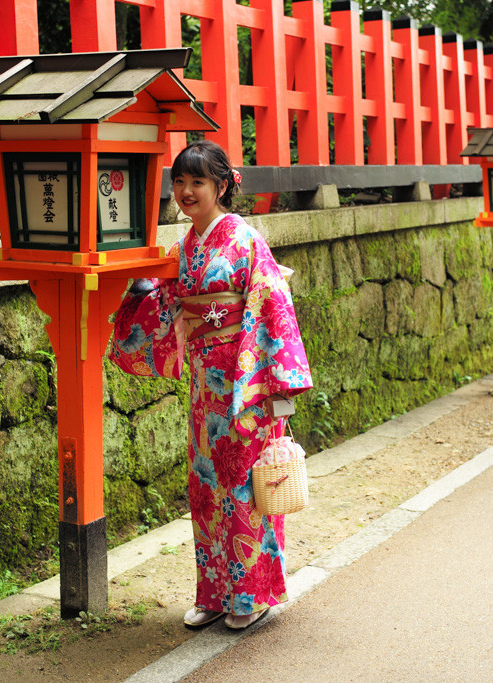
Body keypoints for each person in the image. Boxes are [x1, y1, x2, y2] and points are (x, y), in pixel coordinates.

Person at [108, 140, 312, 630]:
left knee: (243, 485)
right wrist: (138, 295)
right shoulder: (188, 246)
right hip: (205, 385)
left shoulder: (242, 239)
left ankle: (251, 595)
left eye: (197, 181)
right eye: (179, 181)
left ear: (221, 186)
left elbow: (271, 304)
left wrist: (271, 384)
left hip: (244, 383)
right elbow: (164, 297)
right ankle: (215, 592)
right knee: (205, 486)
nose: (185, 191)